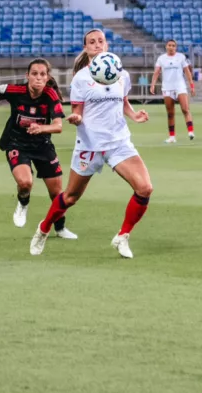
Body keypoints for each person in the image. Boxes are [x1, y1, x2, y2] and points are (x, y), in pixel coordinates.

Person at [30, 29, 152, 259]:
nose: (97, 45)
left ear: (106, 44)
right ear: (86, 48)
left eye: (101, 41)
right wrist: (76, 118)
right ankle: (44, 228)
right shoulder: (81, 78)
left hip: (118, 142)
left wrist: (135, 116)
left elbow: (123, 101)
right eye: (92, 42)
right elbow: (77, 112)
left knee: (145, 188)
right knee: (70, 197)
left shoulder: (121, 73)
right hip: (90, 144)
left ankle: (123, 236)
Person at [0, 59, 76, 239]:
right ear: (27, 76)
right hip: (17, 144)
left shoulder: (51, 95)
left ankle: (60, 228)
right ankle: (23, 202)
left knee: (57, 194)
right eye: (34, 74)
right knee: (25, 183)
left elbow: (58, 126)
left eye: (42, 74)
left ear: (47, 77)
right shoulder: (15, 91)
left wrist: (42, 128)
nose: (38, 78)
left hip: (43, 146)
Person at [150, 39, 195, 143]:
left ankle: (191, 131)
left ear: (176, 47)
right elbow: (156, 72)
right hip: (167, 88)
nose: (171, 47)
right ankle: (172, 137)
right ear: (166, 46)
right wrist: (153, 84)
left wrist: (192, 85)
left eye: (173, 45)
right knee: (170, 113)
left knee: (185, 109)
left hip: (180, 87)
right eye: (169, 45)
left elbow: (187, 72)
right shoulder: (161, 58)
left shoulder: (181, 57)